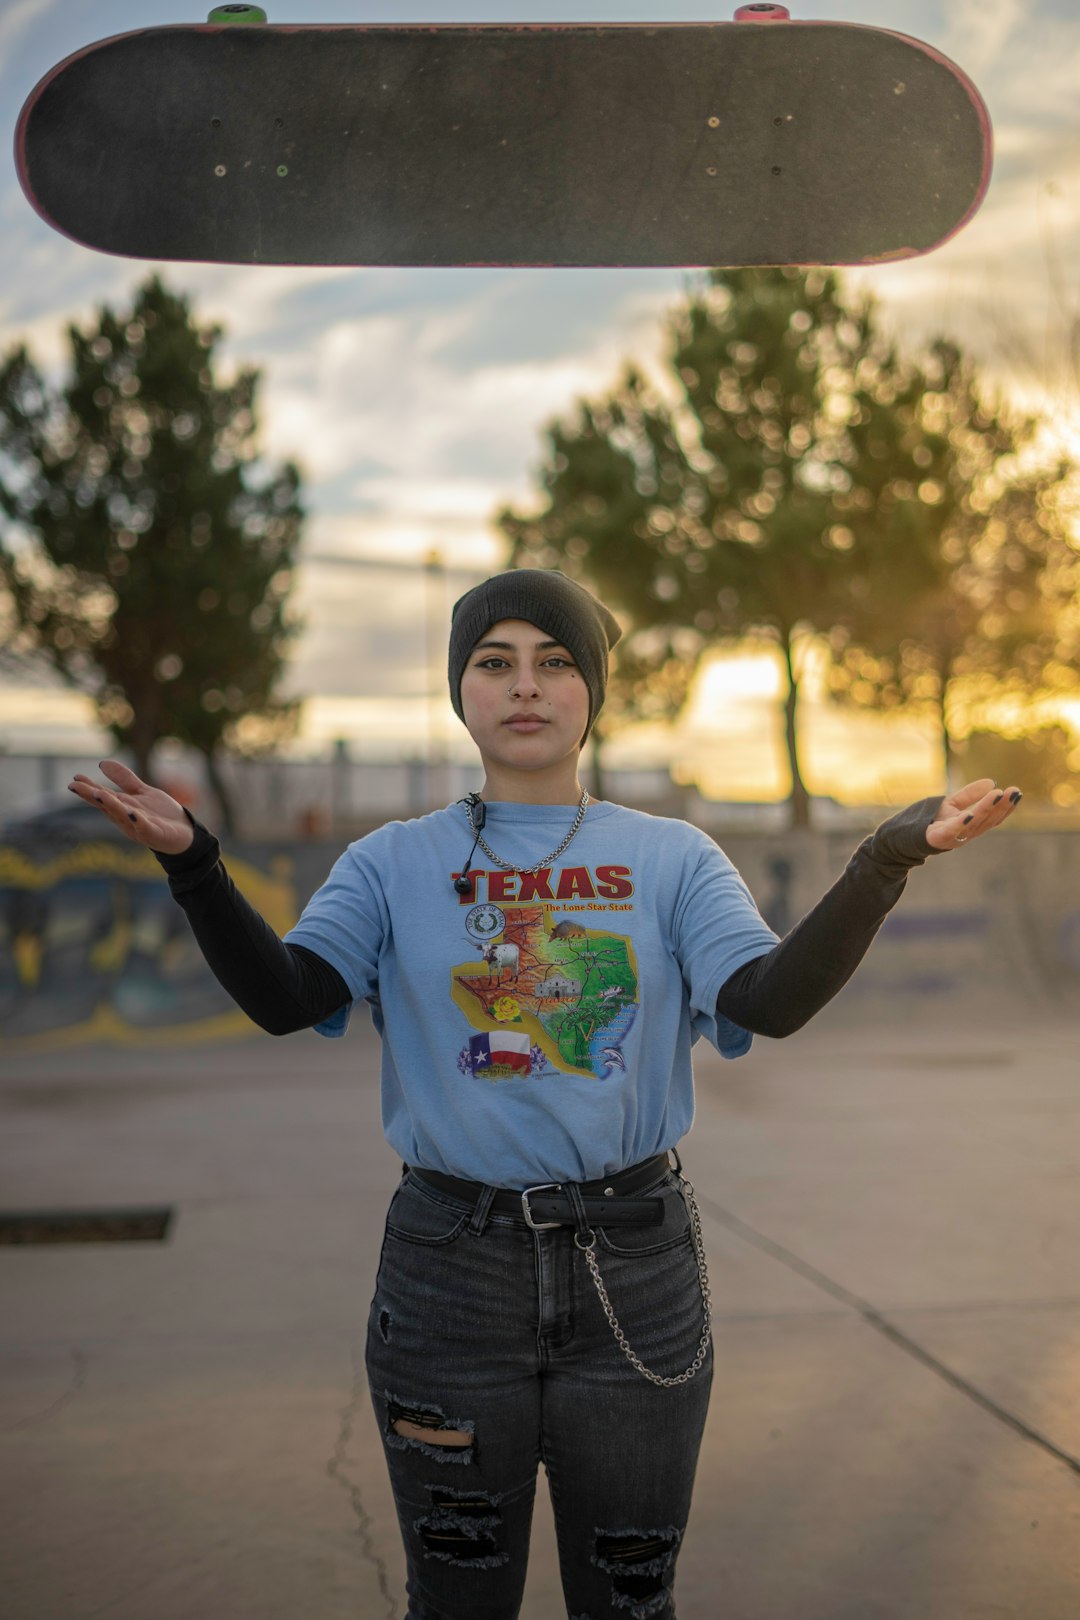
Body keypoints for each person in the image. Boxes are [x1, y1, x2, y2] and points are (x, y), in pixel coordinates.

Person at [68, 568, 1022, 1620]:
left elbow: (771, 999)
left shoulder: (671, 858)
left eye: (555, 663)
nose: (526, 687)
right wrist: (196, 865)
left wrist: (883, 864)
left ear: (592, 693)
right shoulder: (391, 863)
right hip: (449, 1275)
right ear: (461, 692)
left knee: (629, 1603)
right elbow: (291, 997)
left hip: (635, 1269)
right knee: (457, 1603)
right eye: (495, 663)